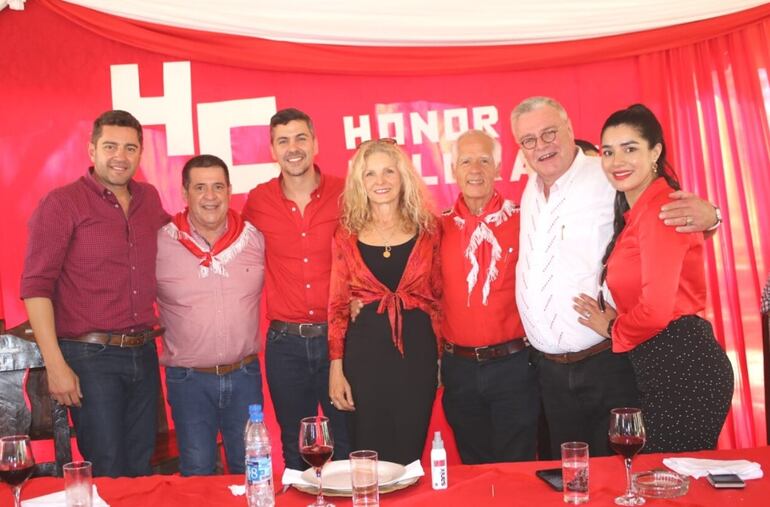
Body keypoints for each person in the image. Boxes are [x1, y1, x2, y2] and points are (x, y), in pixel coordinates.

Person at [510, 96, 720, 457]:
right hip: (550, 374)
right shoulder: (530, 191)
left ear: (570, 131)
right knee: (571, 479)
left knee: (627, 472)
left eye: (549, 133)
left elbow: (674, 216)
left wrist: (713, 215)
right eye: (529, 140)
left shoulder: (607, 177)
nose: (541, 146)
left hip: (610, 362)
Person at [573, 104, 733, 452]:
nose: (617, 162)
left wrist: (613, 328)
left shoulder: (663, 209)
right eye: (609, 152)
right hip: (661, 362)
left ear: (655, 152)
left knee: (672, 483)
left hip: (682, 365)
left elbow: (657, 311)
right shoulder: (639, 211)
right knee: (665, 480)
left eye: (630, 149)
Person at [20, 110, 169, 477]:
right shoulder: (63, 204)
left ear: (140, 154)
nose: (120, 156)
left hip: (144, 353)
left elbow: (179, 248)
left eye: (130, 147)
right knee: (107, 468)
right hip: (90, 358)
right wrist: (56, 367)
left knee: (141, 466)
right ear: (91, 150)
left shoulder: (149, 199)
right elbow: (35, 287)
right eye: (110, 146)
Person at [241, 108, 350, 470]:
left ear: (315, 143)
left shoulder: (345, 193)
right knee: (294, 445)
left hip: (340, 341)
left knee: (346, 440)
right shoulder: (257, 202)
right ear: (272, 150)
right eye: (283, 141)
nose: (293, 148)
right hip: (284, 344)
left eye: (301, 138)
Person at [327, 139, 441, 465]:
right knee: (369, 456)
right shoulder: (345, 234)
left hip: (416, 357)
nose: (381, 181)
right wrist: (336, 369)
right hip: (364, 360)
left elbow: (438, 298)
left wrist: (441, 358)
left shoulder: (429, 229)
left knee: (408, 455)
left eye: (388, 171)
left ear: (403, 176)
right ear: (359, 183)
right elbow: (336, 306)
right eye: (370, 174)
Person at [156, 154, 265, 475]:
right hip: (188, 380)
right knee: (197, 470)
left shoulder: (254, 238)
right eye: (200, 187)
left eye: (218, 187)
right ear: (184, 193)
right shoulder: (161, 242)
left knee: (251, 471)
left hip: (244, 376)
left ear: (230, 191)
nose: (210, 196)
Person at [439, 130, 538, 463]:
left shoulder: (526, 220)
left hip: (514, 367)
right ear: (453, 170)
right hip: (459, 369)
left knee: (518, 468)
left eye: (484, 160)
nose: (475, 169)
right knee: (474, 467)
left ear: (498, 168)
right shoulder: (435, 228)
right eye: (466, 161)